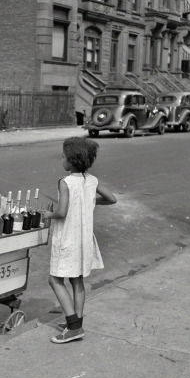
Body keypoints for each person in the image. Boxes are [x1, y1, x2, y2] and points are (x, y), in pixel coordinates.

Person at [43, 137, 116, 344]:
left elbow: (62, 212)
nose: (62, 159)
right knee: (77, 281)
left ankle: (73, 326)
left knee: (55, 280)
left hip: (68, 239)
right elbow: (112, 199)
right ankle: (77, 323)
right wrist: (90, 201)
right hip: (84, 240)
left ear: (72, 160)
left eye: (63, 156)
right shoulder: (91, 180)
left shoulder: (65, 182)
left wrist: (47, 214)